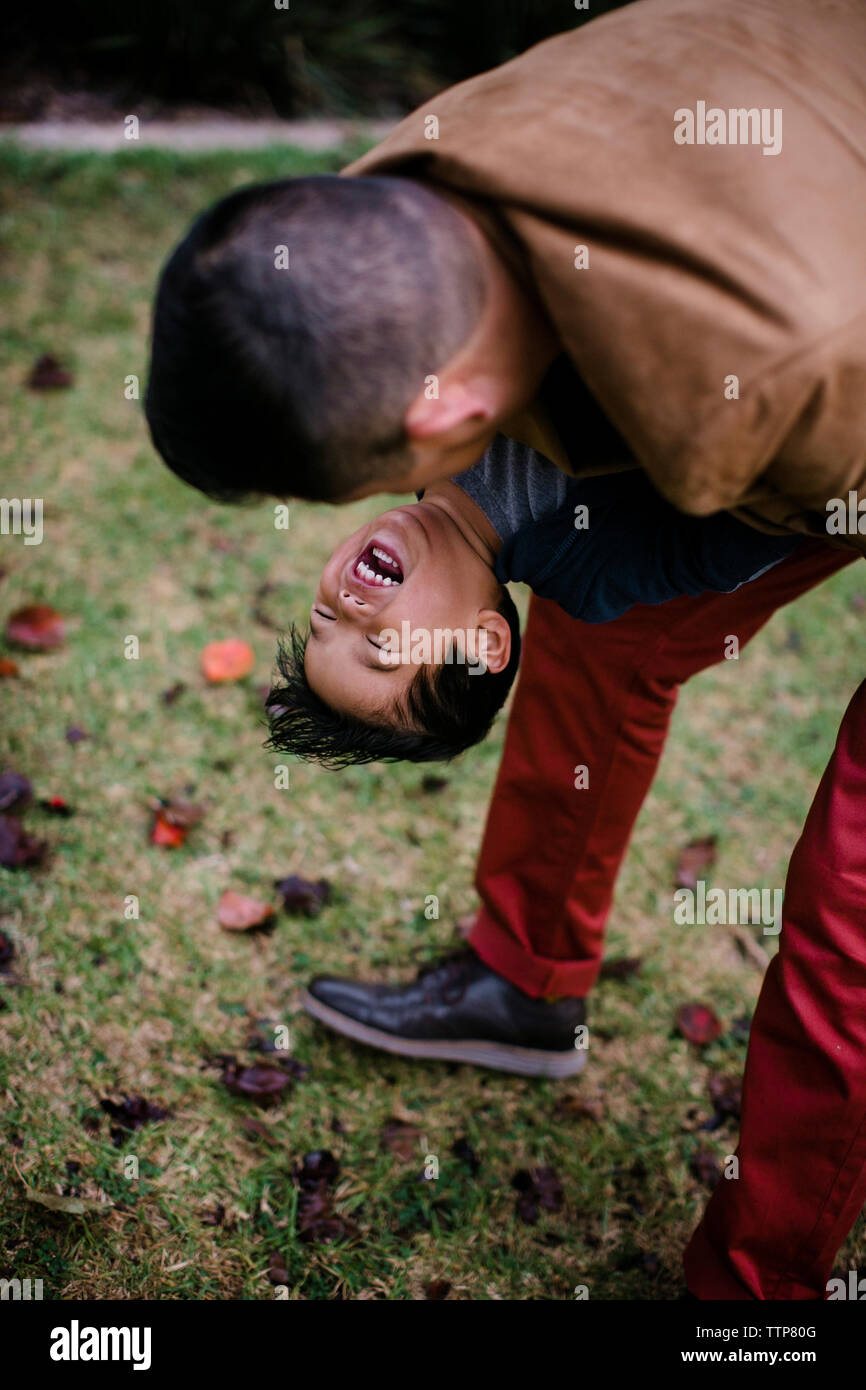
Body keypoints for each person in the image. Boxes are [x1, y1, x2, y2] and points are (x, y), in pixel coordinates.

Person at [145, 0, 866, 1299]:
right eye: (369, 652)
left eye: (358, 473)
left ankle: (757, 1297)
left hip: (832, 372)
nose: (344, 602)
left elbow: (775, 495)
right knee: (603, 627)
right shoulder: (406, 209)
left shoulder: (773, 373)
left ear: (450, 412)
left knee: (852, 897)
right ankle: (523, 981)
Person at [266, 434, 799, 767]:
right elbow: (740, 540)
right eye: (382, 646)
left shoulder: (404, 432)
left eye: (324, 616)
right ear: (482, 642)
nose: (348, 606)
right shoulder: (595, 566)